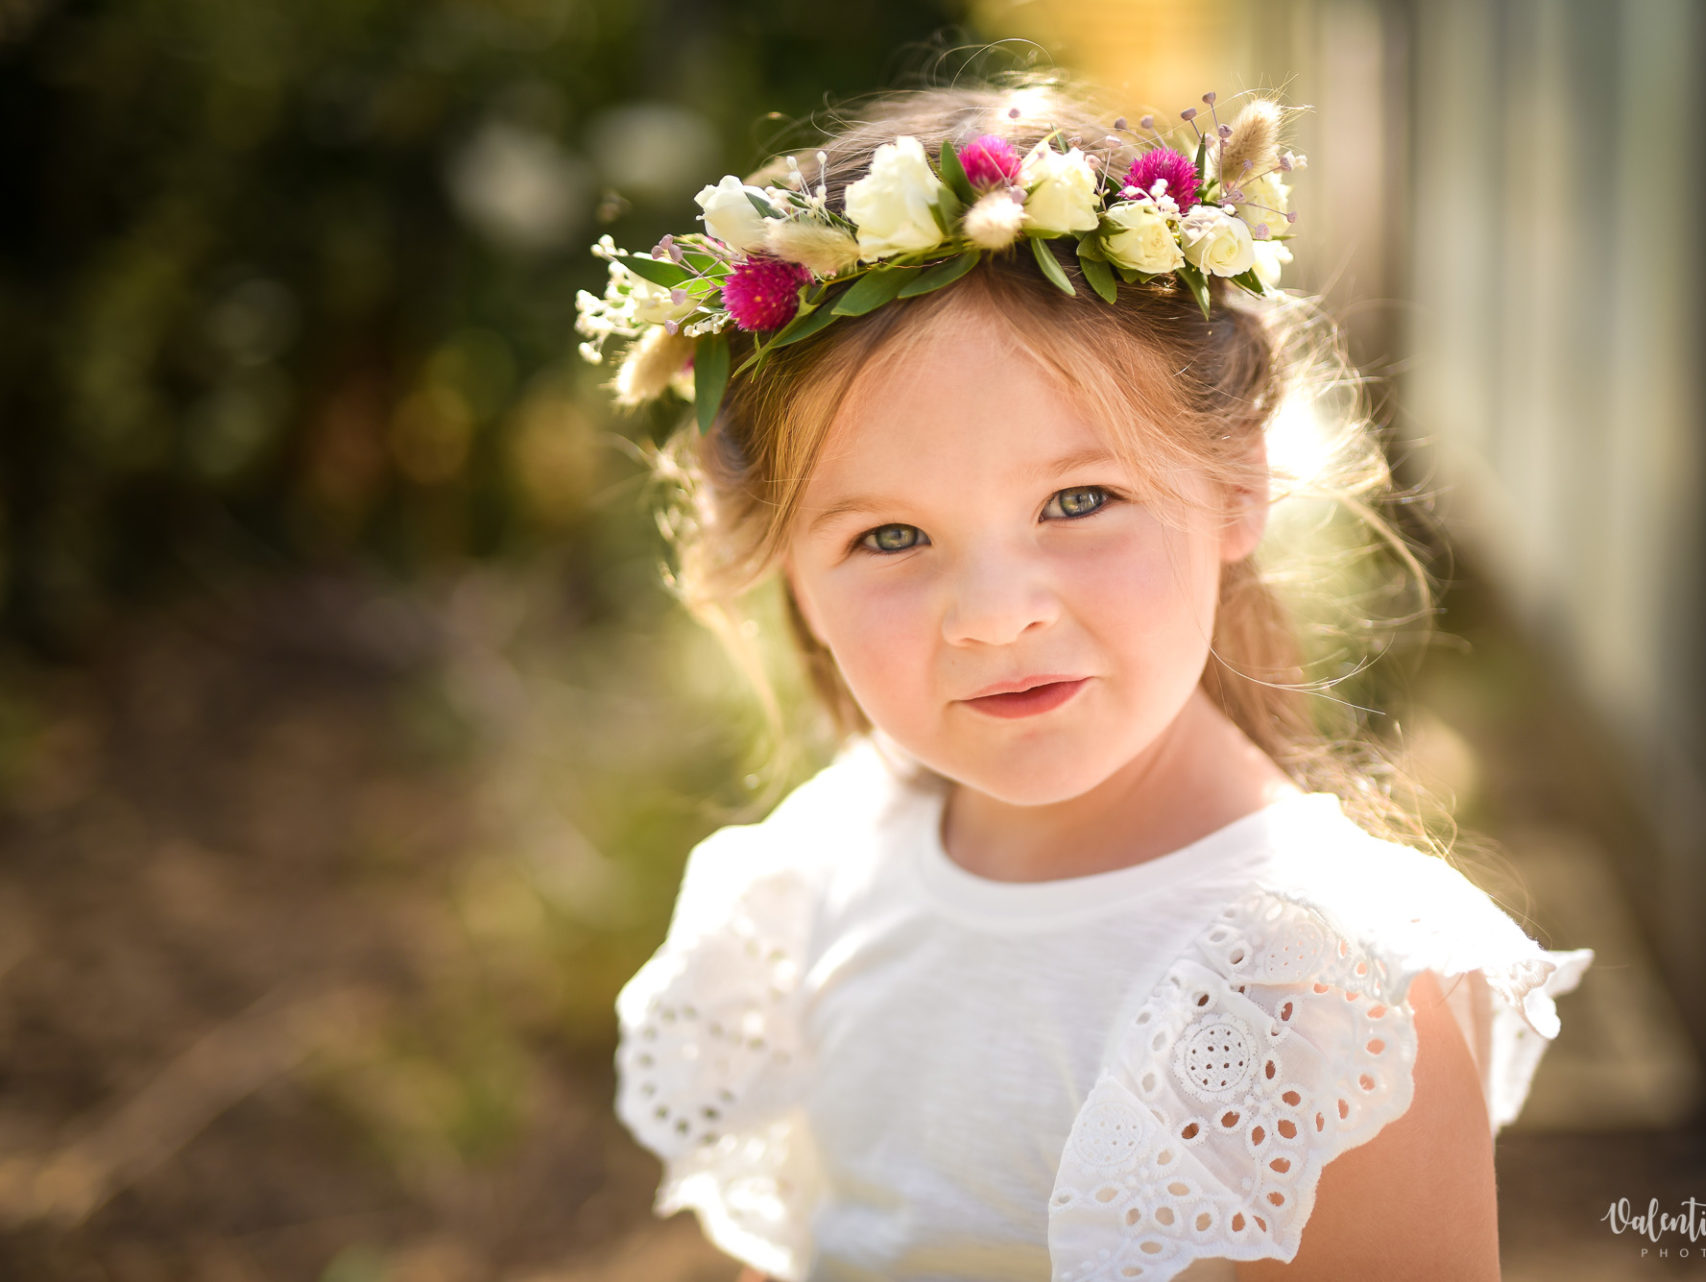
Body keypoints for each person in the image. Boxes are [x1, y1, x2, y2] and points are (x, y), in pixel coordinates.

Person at [577, 74, 1595, 1282]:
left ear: (1235, 486)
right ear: (781, 563)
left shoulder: (1327, 990)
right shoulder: (821, 874)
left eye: (1079, 501)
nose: (999, 616)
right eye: (889, 537)